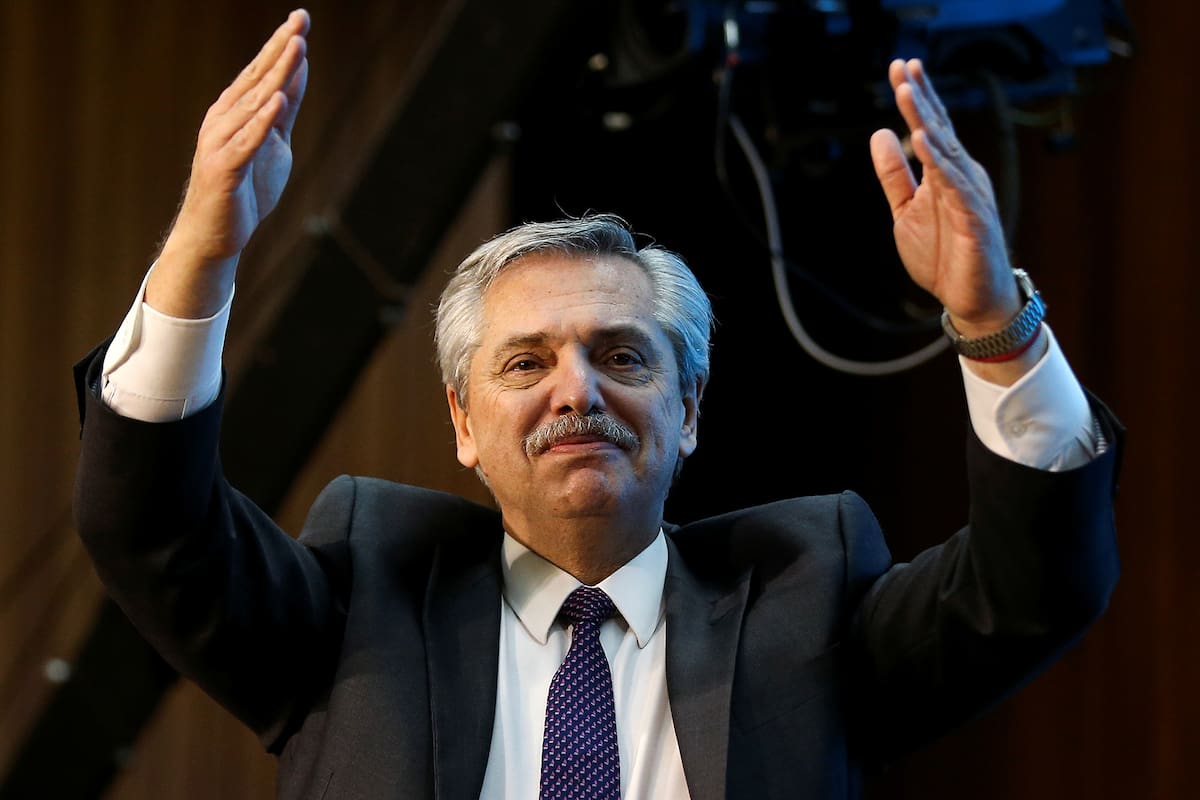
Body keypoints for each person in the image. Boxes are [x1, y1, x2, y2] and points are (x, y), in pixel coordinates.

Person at [72, 8, 1122, 800]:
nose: (578, 388)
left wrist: (993, 318)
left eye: (622, 354)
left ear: (692, 408)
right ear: (463, 423)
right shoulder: (362, 597)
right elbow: (149, 525)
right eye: (525, 364)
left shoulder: (807, 591)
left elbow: (1038, 585)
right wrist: (200, 260)